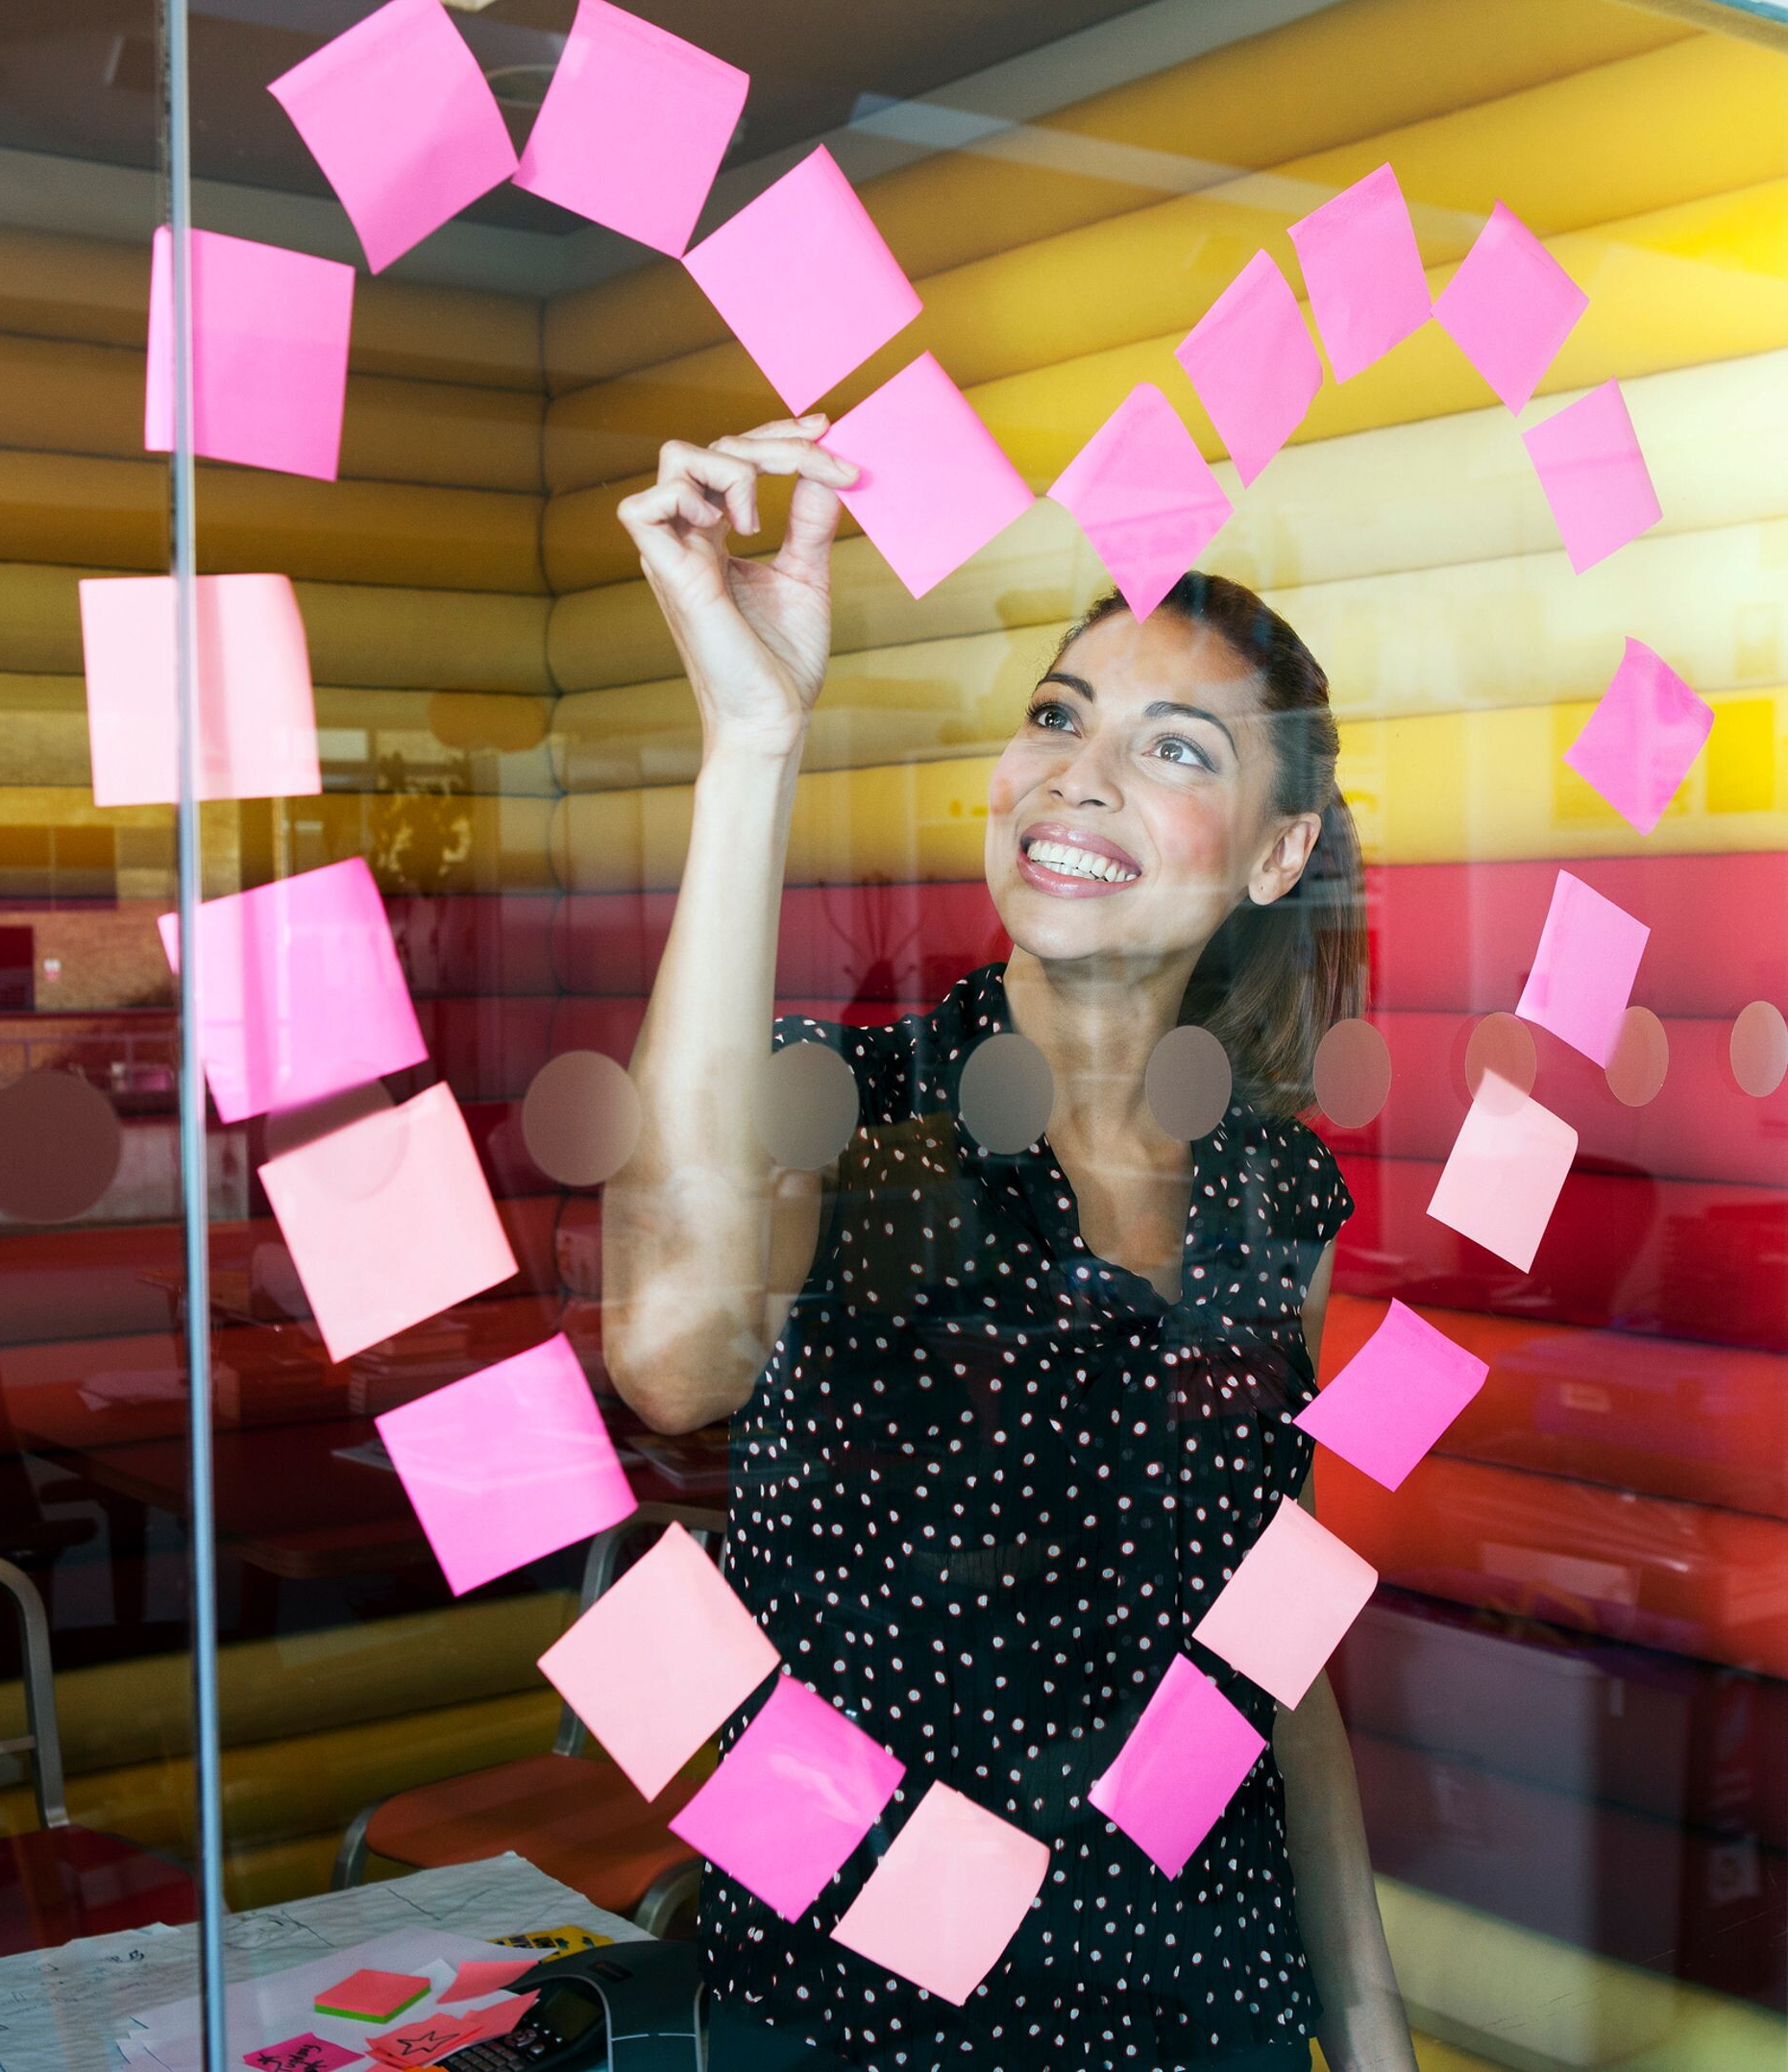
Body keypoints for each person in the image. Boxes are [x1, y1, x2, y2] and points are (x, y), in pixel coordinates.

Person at [601, 415, 1419, 2072]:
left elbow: (1272, 1642)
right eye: (1059, 715)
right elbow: (673, 1354)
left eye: (1177, 747)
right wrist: (751, 740)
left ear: (1277, 855)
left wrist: (1371, 2029)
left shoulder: (1282, 1196)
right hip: (853, 2022)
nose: (1079, 772)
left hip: (1210, 2007)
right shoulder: (847, 1101)